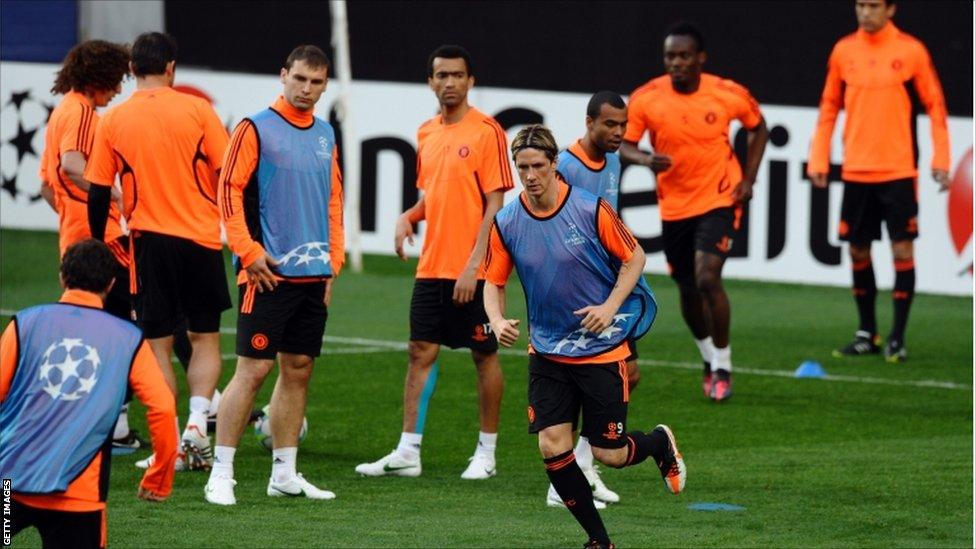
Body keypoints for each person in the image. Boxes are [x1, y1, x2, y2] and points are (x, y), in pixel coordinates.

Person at [483, 125, 685, 549]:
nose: (531, 175)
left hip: (601, 351)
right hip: (549, 352)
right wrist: (497, 319)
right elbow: (493, 280)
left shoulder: (590, 210)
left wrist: (610, 307)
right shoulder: (507, 221)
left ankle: (658, 443)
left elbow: (635, 258)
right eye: (523, 167)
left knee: (610, 453)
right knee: (552, 447)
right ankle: (599, 540)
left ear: (556, 164)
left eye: (538, 165)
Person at [355, 44, 514, 480]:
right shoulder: (426, 132)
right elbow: (435, 196)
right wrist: (410, 215)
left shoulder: (488, 132)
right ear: (430, 81)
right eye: (441, 75)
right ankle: (408, 451)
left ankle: (487, 453)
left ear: (470, 81)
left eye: (457, 75)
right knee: (419, 351)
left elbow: (496, 205)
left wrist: (474, 266)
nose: (449, 83)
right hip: (431, 267)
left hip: (474, 270)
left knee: (484, 354)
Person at [203, 45, 344, 505]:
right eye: (300, 79)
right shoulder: (253, 128)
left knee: (298, 370)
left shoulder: (325, 133)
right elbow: (228, 192)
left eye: (317, 82)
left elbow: (333, 202)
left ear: (326, 85)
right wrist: (248, 253)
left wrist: (333, 265)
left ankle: (284, 473)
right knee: (254, 369)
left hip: (312, 275)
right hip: (265, 274)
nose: (307, 90)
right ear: (283, 75)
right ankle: (220, 471)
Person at [85, 32, 230, 470]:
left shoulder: (113, 120)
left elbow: (96, 191)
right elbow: (229, 175)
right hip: (202, 240)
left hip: (148, 243)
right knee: (204, 338)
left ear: (131, 70)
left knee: (158, 346)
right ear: (171, 68)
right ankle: (197, 424)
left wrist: (97, 244)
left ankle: (168, 443)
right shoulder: (198, 109)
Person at [620, 22, 769, 402]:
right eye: (671, 56)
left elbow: (758, 128)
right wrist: (644, 159)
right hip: (674, 206)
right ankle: (707, 357)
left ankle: (723, 363)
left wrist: (748, 178)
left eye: (685, 55)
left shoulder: (726, 92)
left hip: (720, 198)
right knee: (687, 287)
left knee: (707, 277)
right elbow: (624, 143)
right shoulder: (646, 98)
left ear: (700, 58)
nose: (677, 63)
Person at [0, 239, 178, 549]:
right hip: (78, 496)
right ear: (111, 284)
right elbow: (162, 407)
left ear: (62, 276)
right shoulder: (128, 339)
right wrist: (158, 478)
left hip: (8, 486)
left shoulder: (24, 323)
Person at [807, 0, 950, 362]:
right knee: (857, 250)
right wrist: (819, 156)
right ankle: (866, 332)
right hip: (856, 170)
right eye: (860, 5)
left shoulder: (911, 51)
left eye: (873, 5)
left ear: (890, 9)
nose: (865, 12)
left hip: (899, 171)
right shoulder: (844, 50)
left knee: (902, 250)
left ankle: (897, 337)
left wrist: (942, 158)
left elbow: (935, 106)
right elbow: (828, 106)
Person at [550, 90, 639, 506]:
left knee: (628, 375)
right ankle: (562, 482)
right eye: (610, 124)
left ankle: (583, 466)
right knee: (577, 382)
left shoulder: (615, 160)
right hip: (576, 295)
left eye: (623, 124)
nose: (619, 132)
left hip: (610, 292)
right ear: (589, 123)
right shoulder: (564, 166)